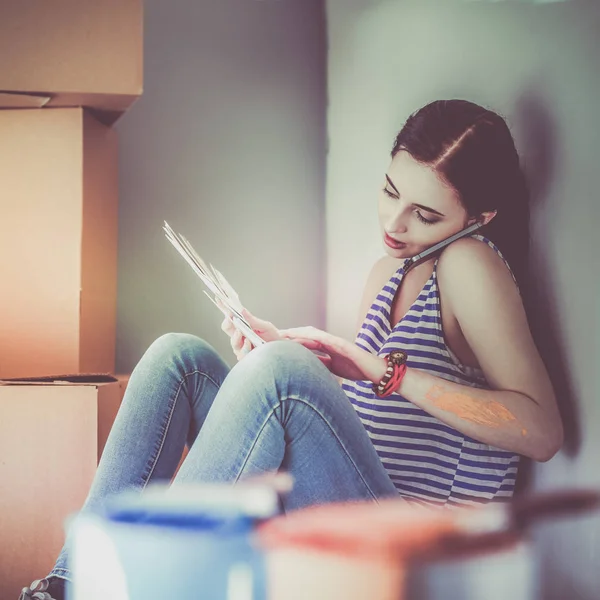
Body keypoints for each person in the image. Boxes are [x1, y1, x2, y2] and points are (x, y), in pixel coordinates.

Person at [19, 99, 563, 600]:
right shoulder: (387, 275)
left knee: (281, 372)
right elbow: (364, 427)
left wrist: (380, 374)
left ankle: (146, 583)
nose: (393, 224)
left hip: (421, 551)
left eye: (425, 215)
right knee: (177, 358)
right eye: (391, 191)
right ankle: (69, 585)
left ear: (478, 217)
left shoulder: (470, 264)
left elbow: (540, 432)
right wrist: (278, 365)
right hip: (356, 511)